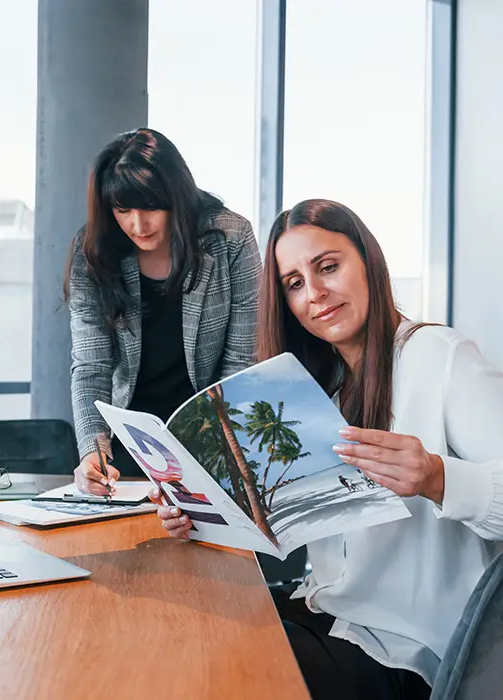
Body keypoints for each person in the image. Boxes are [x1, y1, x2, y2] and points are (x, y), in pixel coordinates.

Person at [151, 198, 503, 699]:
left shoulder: (439, 357)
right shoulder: (320, 391)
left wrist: (438, 478)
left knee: (224, 667)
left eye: (328, 267)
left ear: (368, 261)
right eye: (294, 283)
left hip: (410, 650)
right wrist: (198, 513)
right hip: (332, 612)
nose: (315, 294)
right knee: (186, 622)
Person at [66, 128, 262, 495]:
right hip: (129, 446)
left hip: (213, 437)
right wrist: (93, 452)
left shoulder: (230, 239)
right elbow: (91, 366)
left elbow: (240, 363)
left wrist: (216, 455)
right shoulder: (93, 250)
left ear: (177, 196)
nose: (137, 226)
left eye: (151, 208)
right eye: (123, 210)